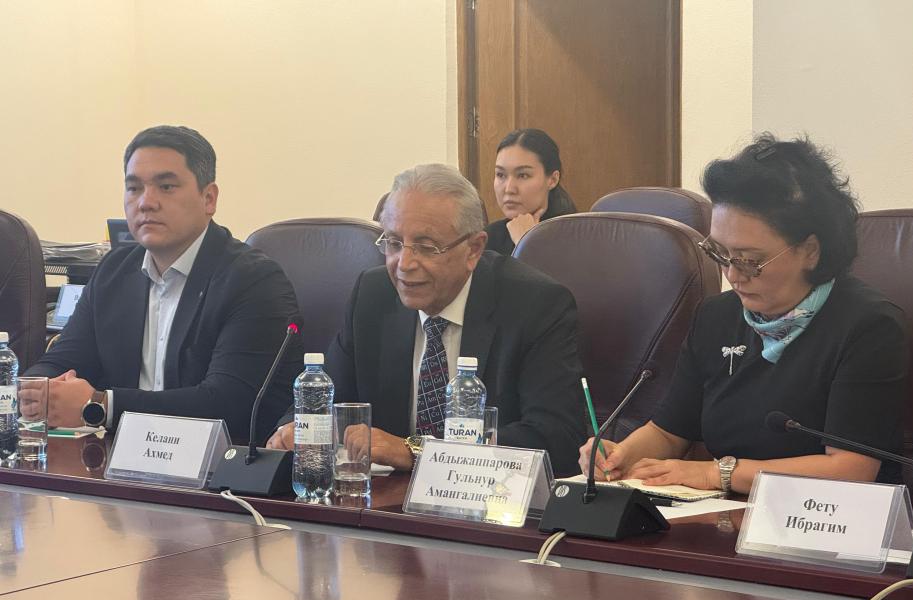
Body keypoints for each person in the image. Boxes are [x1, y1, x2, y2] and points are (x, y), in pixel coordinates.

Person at [580, 134, 907, 494]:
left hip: (820, 518)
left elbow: (850, 469)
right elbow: (668, 432)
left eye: (750, 260)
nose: (732, 275)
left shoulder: (867, 327)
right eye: (720, 254)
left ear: (810, 251)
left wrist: (718, 474)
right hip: (723, 513)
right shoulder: (716, 317)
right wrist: (620, 455)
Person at [268, 163, 585, 475]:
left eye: (426, 247)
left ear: (473, 249)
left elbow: (557, 438)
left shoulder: (535, 305)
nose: (404, 263)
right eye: (394, 243)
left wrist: (416, 451)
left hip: (490, 498)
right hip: (386, 498)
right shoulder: (373, 295)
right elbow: (324, 397)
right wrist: (291, 430)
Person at [26, 125, 302, 443]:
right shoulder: (114, 271)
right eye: (134, 188)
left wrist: (101, 405)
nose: (146, 202)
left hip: (220, 466)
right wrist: (36, 390)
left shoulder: (254, 281)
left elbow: (227, 403)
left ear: (209, 198)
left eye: (166, 187)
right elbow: (63, 360)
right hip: (117, 458)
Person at [485, 128, 577, 255]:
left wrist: (526, 243)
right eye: (501, 175)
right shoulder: (490, 237)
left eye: (523, 175)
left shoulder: (576, 236)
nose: (509, 189)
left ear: (553, 180)